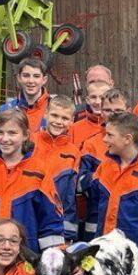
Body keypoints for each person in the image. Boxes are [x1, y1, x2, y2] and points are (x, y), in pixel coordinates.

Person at [0, 109, 67, 254]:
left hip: (25, 257)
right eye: (0, 132)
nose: (5, 138)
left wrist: (53, 257)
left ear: (25, 136)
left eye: (12, 133)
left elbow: (51, 219)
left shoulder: (39, 171)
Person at [80, 112, 138, 254]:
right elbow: (94, 198)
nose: (105, 139)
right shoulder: (105, 166)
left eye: (110, 135)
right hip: (105, 253)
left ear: (127, 139)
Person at [31, 95, 82, 239]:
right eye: (54, 115)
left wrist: (68, 231)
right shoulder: (29, 141)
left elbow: (70, 196)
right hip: (29, 216)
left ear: (72, 121)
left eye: (65, 118)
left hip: (56, 223)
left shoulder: (73, 152)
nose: (58, 122)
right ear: (46, 114)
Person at [0, 57, 51, 130]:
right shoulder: (5, 111)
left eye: (36, 76)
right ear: (19, 78)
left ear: (44, 80)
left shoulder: (56, 111)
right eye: (26, 75)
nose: (31, 81)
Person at [72, 80, 111, 147]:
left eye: (102, 98)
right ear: (87, 100)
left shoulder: (119, 128)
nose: (97, 102)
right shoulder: (73, 129)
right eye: (93, 97)